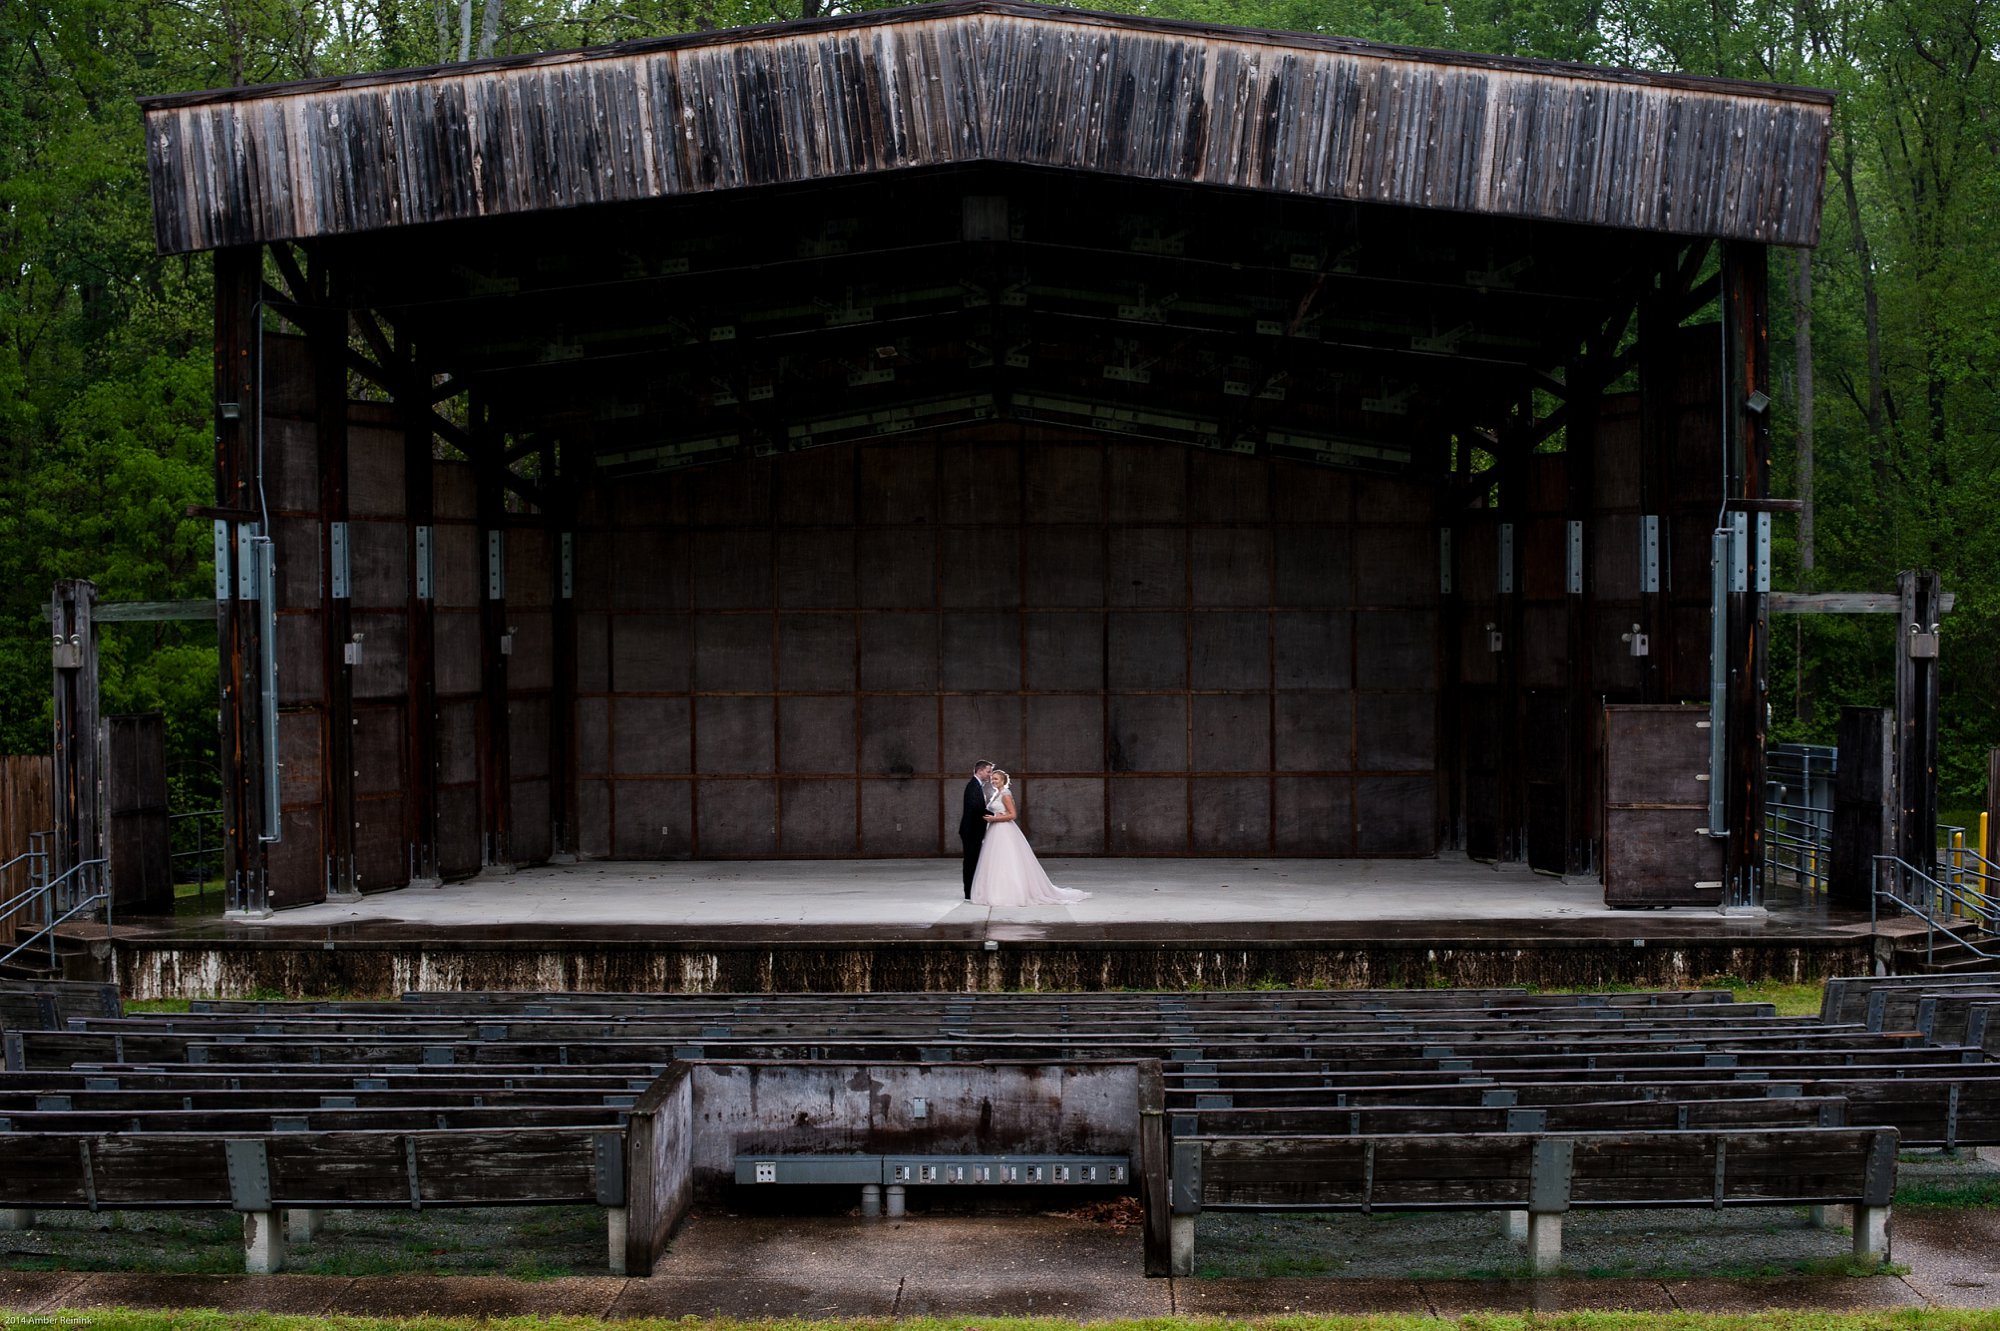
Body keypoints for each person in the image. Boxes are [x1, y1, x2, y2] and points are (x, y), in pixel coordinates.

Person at [969, 770, 1090, 907]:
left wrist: (995, 818)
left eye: (996, 779)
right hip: (995, 830)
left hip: (1004, 830)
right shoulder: (996, 793)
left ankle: (1010, 892)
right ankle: (995, 890)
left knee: (1006, 859)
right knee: (995, 860)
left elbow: (1013, 815)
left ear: (1003, 780)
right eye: (992, 779)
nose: (993, 781)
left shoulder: (1005, 794)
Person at [959, 759, 995, 899]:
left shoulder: (976, 785)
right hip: (970, 831)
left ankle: (971, 890)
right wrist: (996, 816)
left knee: (973, 860)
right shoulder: (973, 786)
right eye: (988, 771)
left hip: (973, 830)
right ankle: (969, 893)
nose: (990, 775)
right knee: (970, 861)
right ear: (979, 771)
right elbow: (977, 808)